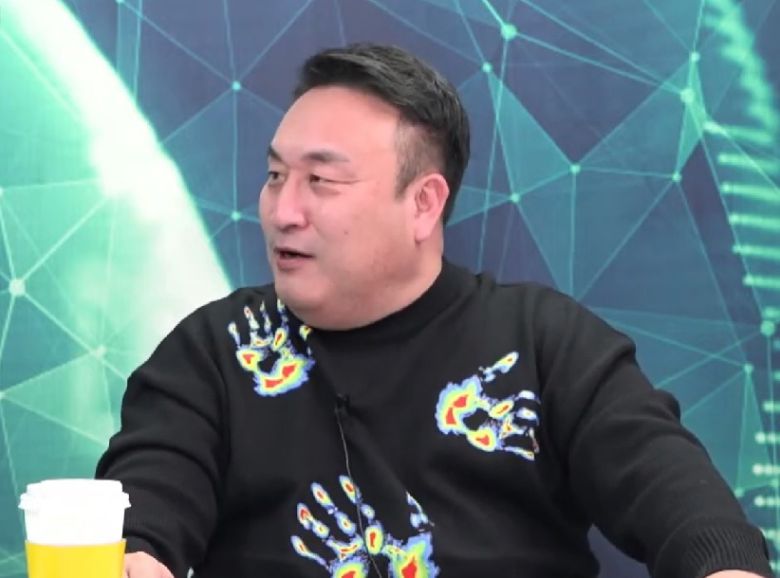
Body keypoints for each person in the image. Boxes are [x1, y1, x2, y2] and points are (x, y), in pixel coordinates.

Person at [96, 43, 774, 578]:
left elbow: (673, 492)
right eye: (276, 176)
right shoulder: (219, 348)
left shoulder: (542, 342)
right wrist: (136, 553)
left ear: (423, 203)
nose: (283, 210)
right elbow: (147, 496)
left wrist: (724, 567)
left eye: (320, 181)